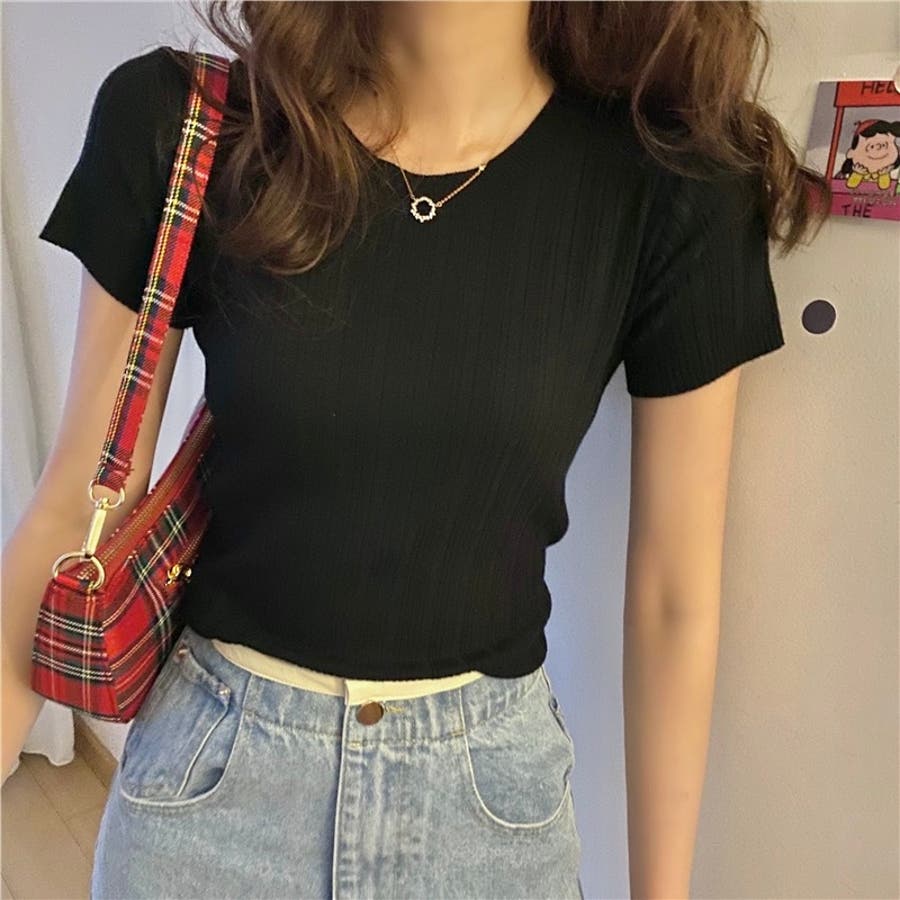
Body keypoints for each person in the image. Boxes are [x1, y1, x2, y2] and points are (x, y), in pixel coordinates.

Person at [2, 2, 829, 898]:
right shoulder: (186, 125)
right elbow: (77, 503)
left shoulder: (675, 185)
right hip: (210, 790)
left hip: (487, 819)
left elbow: (674, 596)